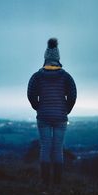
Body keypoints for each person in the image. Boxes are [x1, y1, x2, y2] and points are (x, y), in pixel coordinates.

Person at [27, 38, 77, 186]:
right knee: (58, 148)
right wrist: (65, 109)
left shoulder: (37, 76)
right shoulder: (66, 76)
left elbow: (30, 94)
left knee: (45, 147)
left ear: (45, 58)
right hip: (60, 116)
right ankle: (57, 182)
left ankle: (45, 181)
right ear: (58, 59)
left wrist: (38, 107)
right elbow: (73, 96)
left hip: (43, 116)